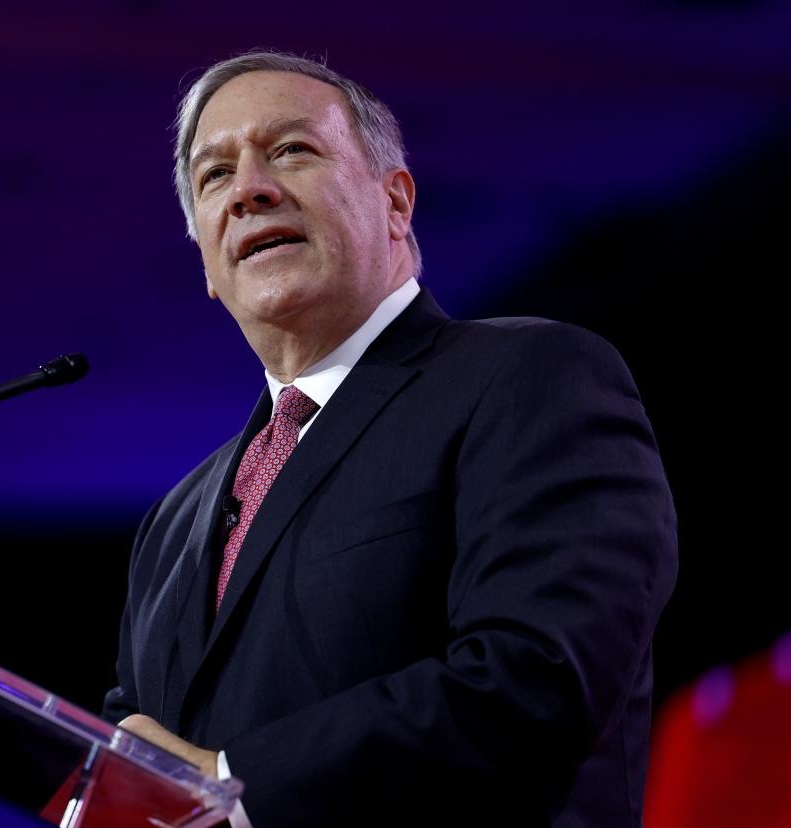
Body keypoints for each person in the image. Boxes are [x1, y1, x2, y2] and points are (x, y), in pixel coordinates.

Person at [102, 51, 677, 827]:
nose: (250, 190)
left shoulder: (530, 378)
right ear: (205, 259)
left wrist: (237, 783)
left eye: (291, 151)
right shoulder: (173, 523)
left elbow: (538, 675)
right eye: (215, 176)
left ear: (396, 203)